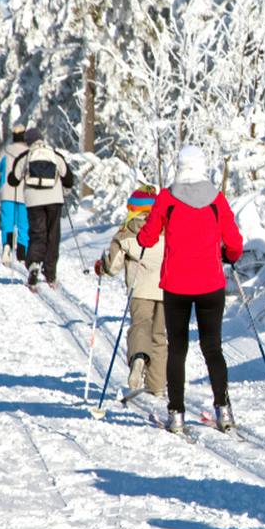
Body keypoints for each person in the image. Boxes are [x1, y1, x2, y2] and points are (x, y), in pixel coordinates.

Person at [137, 146, 243, 433]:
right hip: (211, 285)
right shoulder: (216, 200)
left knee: (177, 350)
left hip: (177, 286)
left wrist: (143, 238)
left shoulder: (167, 198)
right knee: (212, 348)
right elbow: (234, 242)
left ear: (180, 167)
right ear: (203, 166)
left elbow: (148, 236)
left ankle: (177, 415)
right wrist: (230, 256)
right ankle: (224, 411)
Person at [95, 185, 168, 397]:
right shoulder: (168, 229)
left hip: (140, 291)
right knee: (159, 336)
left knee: (140, 326)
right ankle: (157, 387)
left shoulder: (126, 233)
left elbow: (113, 267)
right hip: (166, 290)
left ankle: (137, 359)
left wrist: (102, 267)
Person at [7, 127, 75, 291]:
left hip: (34, 201)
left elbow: (13, 180)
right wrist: (64, 193)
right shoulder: (55, 155)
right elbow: (69, 178)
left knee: (37, 234)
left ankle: (34, 264)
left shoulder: (25, 157)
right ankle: (50, 274)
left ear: (28, 142)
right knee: (52, 236)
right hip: (54, 201)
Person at [0, 125, 30, 265]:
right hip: (25, 193)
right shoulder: (29, 152)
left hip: (7, 191)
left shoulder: (6, 151)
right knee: (23, 224)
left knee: (8, 222)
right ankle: (23, 253)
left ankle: (8, 245)